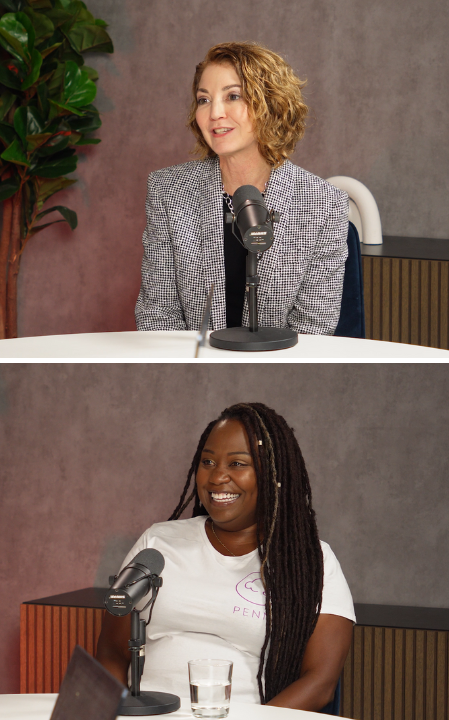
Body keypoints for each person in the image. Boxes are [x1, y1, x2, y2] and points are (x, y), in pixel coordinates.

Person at [95, 403, 354, 712]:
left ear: (274, 475)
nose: (217, 477)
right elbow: (111, 653)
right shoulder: (157, 543)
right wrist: (120, 712)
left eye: (237, 464)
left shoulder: (311, 563)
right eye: (208, 461)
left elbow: (320, 683)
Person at [134, 42, 348, 335]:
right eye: (204, 99)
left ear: (271, 104)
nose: (214, 113)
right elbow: (157, 315)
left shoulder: (324, 203)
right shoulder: (167, 190)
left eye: (233, 96)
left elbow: (313, 328)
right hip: (192, 361)